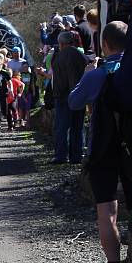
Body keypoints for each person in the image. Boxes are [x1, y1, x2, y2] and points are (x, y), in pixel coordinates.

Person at [68, 21, 132, 263]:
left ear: (104, 45)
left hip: (103, 148)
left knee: (107, 211)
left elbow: (73, 102)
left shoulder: (97, 74)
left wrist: (87, 74)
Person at [49, 31, 88, 164]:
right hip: (79, 95)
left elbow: (58, 78)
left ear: (61, 43)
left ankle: (61, 155)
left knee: (61, 127)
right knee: (77, 127)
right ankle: (76, 155)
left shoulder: (59, 56)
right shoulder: (81, 55)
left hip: (63, 96)